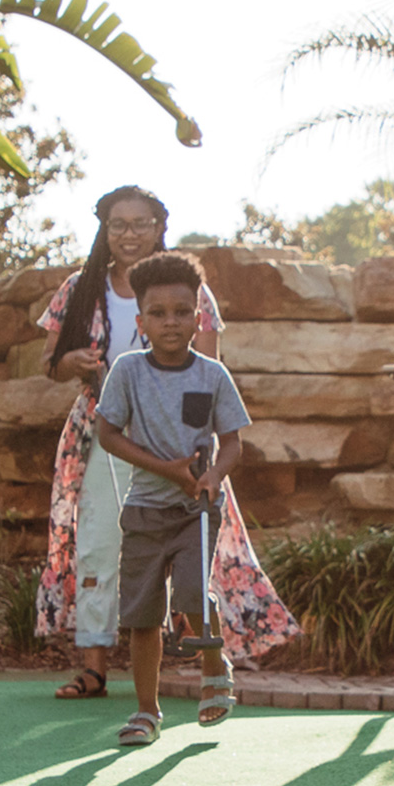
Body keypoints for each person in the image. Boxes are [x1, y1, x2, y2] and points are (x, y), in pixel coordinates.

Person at [33, 188, 295, 692]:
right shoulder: (81, 288)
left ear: (159, 228)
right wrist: (71, 362)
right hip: (104, 432)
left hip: (177, 437)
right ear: (104, 230)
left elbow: (208, 372)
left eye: (141, 223)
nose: (129, 234)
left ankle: (200, 657)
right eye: (118, 224)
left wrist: (197, 457)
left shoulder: (190, 291)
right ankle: (94, 665)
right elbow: (49, 362)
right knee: (99, 542)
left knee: (186, 543)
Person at [92, 253, 247, 748]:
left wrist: (212, 476)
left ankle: (214, 665)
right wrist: (167, 471)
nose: (171, 322)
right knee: (142, 615)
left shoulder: (213, 376)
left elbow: (233, 443)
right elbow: (107, 434)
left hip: (194, 511)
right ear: (141, 323)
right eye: (158, 313)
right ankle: (146, 711)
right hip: (144, 508)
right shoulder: (128, 371)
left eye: (182, 312)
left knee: (190, 594)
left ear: (198, 318)